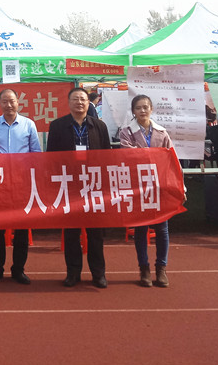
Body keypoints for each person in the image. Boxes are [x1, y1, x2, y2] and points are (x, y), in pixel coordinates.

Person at [47, 87, 111, 288]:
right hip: (69, 186)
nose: (79, 103)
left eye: (83, 99)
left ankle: (98, 274)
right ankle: (73, 273)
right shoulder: (57, 126)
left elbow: (107, 156)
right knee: (71, 233)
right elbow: (51, 157)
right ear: (68, 103)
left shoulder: (99, 126)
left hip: (94, 185)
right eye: (75, 99)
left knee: (95, 233)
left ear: (88, 102)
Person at [0, 89, 41, 285]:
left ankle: (18, 269)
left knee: (21, 229)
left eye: (12, 101)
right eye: (5, 101)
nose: (9, 105)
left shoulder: (28, 124)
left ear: (18, 103)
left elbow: (36, 154)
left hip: (22, 183)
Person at [120, 94, 178, 287]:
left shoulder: (162, 132)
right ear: (133, 111)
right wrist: (153, 157)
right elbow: (128, 156)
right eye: (138, 108)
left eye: (145, 107)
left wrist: (180, 186)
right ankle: (144, 268)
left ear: (151, 109)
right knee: (141, 228)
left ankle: (161, 268)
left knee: (162, 229)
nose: (142, 111)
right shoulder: (126, 132)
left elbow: (171, 160)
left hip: (160, 187)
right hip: (138, 187)